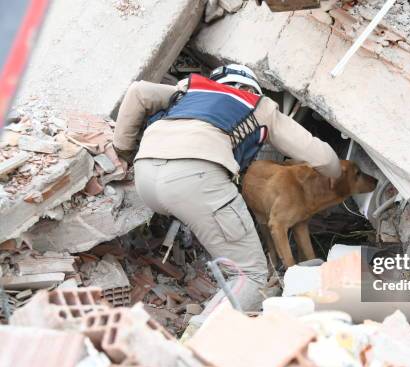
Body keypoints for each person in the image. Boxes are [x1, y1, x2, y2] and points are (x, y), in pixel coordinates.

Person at [113, 64, 341, 321]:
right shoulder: (258, 105)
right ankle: (201, 336)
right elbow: (322, 157)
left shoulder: (188, 88)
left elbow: (138, 91)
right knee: (251, 275)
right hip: (197, 179)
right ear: (249, 88)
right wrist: (338, 174)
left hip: (145, 176)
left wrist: (123, 149)